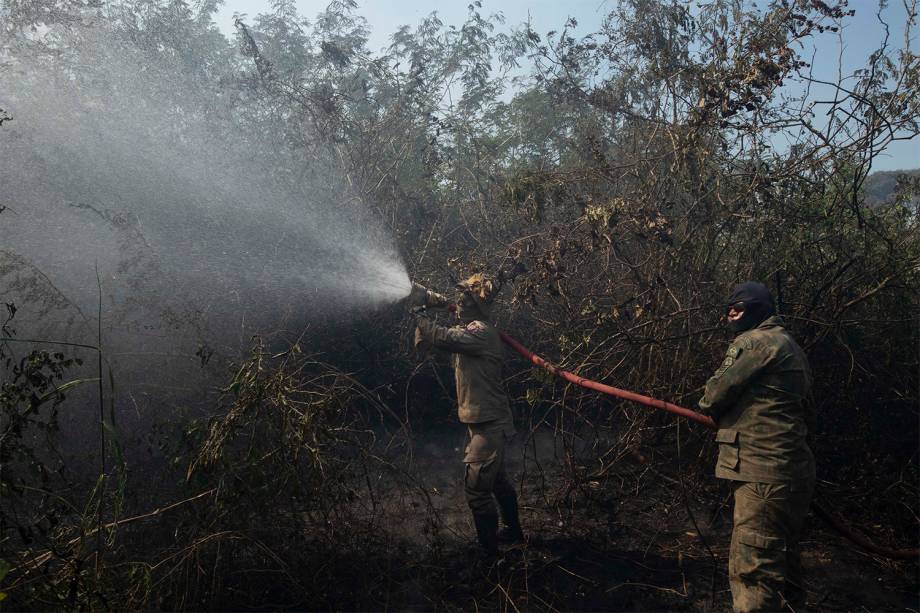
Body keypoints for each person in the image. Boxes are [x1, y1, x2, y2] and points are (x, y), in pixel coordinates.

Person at [698, 281, 816, 612]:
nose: (731, 311)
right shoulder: (790, 344)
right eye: (729, 306)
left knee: (753, 572)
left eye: (741, 306)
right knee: (784, 565)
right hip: (793, 472)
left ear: (759, 310)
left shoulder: (754, 342)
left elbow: (713, 397)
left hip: (763, 473)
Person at [408, 274, 524, 558]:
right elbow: (446, 336)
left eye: (465, 297)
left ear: (477, 305)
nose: (458, 300)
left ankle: (490, 554)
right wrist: (430, 304)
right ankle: (513, 533)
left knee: (477, 490)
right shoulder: (472, 329)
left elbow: (442, 337)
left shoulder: (481, 332)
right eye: (459, 296)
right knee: (496, 481)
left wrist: (419, 312)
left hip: (488, 424)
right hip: (484, 422)